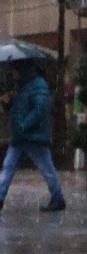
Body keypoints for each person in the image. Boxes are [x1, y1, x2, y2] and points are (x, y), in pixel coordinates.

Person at [0, 58, 64, 211]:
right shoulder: (24, 87)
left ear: (23, 69)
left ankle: (58, 198)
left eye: (15, 70)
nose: (13, 73)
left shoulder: (37, 85)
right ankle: (0, 198)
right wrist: (7, 102)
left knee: (46, 168)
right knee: (8, 166)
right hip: (21, 137)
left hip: (33, 137)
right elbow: (20, 108)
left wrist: (24, 125)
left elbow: (40, 109)